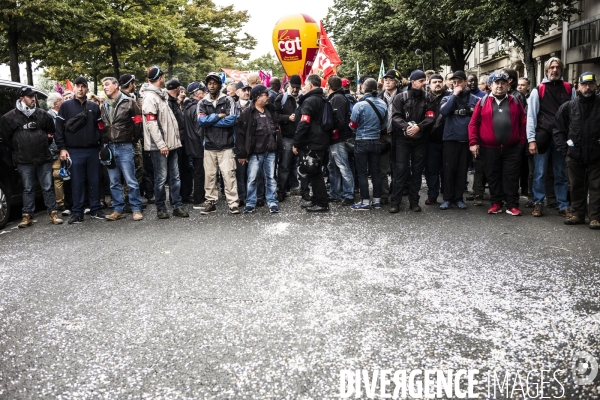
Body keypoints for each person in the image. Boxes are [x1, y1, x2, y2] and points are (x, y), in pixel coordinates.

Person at [0, 86, 63, 227]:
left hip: (43, 156)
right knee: (28, 188)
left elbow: (51, 133)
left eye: (33, 96)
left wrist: (42, 143)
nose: (33, 99)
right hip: (24, 158)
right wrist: (20, 147)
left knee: (47, 187)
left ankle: (53, 213)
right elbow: (6, 138)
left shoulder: (42, 114)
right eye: (29, 97)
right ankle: (27, 215)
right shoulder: (9, 117)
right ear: (21, 99)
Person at [468, 73, 527, 216]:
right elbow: (473, 124)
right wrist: (473, 142)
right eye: (496, 83)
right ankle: (496, 203)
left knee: (511, 176)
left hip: (512, 148)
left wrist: (521, 143)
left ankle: (512, 205)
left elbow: (523, 122)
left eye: (503, 83)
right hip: (489, 148)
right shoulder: (482, 102)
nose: (500, 86)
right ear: (490, 86)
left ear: (508, 85)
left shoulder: (515, 101)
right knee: (493, 176)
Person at [526, 57, 575, 218]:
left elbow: (574, 115)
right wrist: (531, 140)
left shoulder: (569, 88)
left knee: (561, 173)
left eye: (557, 67)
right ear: (547, 70)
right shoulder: (538, 90)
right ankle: (538, 202)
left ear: (561, 69)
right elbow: (531, 116)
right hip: (543, 137)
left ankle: (563, 205)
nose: (554, 70)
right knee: (539, 173)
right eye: (551, 67)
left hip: (562, 138)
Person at [55, 77, 105, 224]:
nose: (80, 89)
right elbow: (59, 129)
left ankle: (95, 209)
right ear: (74, 88)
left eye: (83, 86)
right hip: (74, 151)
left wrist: (101, 148)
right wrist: (62, 148)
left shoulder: (94, 107)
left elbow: (100, 128)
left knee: (95, 180)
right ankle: (77, 213)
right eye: (77, 86)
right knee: (77, 182)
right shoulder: (65, 106)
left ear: (87, 89)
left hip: (92, 150)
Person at [141, 65, 189, 219]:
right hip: (160, 146)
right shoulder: (150, 97)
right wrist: (161, 144)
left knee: (175, 177)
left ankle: (177, 206)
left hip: (171, 144)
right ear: (160, 78)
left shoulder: (162, 95)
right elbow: (151, 123)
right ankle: (161, 208)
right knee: (161, 178)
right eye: (163, 77)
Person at [554, 72, 600, 229]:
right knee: (575, 185)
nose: (588, 87)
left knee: (597, 186)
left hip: (596, 153)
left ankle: (595, 217)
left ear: (596, 86)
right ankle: (577, 214)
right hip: (574, 154)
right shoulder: (568, 107)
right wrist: (565, 148)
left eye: (591, 84)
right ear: (578, 87)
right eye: (584, 85)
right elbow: (559, 129)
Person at [389, 70, 435, 213]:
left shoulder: (429, 98)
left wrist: (418, 127)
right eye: (421, 81)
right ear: (413, 81)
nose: (424, 83)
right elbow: (395, 116)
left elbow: (431, 117)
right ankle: (395, 202)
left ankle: (414, 202)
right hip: (402, 139)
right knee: (400, 170)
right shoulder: (400, 97)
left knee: (417, 171)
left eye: (424, 80)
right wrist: (407, 127)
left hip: (420, 139)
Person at [99, 76, 144, 221]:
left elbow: (138, 123)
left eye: (107, 84)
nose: (104, 87)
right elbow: (102, 126)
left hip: (125, 145)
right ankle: (118, 209)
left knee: (131, 180)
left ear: (116, 85)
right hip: (110, 147)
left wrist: (132, 139)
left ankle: (136, 208)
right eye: (103, 85)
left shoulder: (129, 102)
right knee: (114, 181)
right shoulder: (104, 105)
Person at [197, 72, 240, 215]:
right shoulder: (202, 102)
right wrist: (218, 116)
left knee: (229, 176)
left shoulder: (228, 100)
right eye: (209, 83)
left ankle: (233, 203)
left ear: (219, 85)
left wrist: (211, 121)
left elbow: (232, 120)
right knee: (209, 176)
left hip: (226, 145)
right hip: (209, 145)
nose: (211, 85)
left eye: (214, 83)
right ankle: (211, 203)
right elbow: (201, 122)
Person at [236, 84, 282, 213]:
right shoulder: (247, 113)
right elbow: (240, 135)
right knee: (252, 178)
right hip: (255, 152)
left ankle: (272, 202)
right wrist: (242, 153)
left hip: (271, 150)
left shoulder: (270, 110)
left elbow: (277, 124)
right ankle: (250, 203)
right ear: (257, 97)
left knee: (271, 178)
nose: (268, 97)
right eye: (265, 95)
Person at [439, 71, 480, 210]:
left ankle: (458, 198)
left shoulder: (474, 99)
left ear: (465, 82)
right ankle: (448, 198)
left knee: (462, 170)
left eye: (459, 81)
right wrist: (454, 95)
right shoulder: (447, 98)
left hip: (465, 139)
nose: (456, 84)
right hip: (450, 138)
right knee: (448, 170)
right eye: (453, 82)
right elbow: (444, 112)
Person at [293, 74, 331, 212]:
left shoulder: (309, 101)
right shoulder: (322, 99)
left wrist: (296, 142)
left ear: (310, 85)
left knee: (314, 173)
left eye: (305, 85)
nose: (303, 87)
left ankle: (321, 203)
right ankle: (316, 200)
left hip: (312, 141)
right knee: (315, 171)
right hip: (320, 140)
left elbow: (304, 123)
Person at [349, 78, 387, 210]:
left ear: (363, 89)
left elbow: (353, 125)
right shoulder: (383, 104)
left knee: (362, 172)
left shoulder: (359, 105)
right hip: (376, 140)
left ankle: (365, 201)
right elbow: (384, 125)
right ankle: (377, 200)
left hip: (361, 141)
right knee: (375, 171)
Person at [326, 75, 354, 205]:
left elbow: (339, 120)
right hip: (336, 139)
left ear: (329, 86)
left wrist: (331, 128)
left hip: (338, 138)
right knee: (333, 167)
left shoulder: (336, 98)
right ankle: (335, 193)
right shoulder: (339, 97)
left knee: (343, 167)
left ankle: (348, 194)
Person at [274, 74, 302, 202]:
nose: (295, 90)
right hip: (287, 136)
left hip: (300, 136)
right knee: (285, 165)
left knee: (296, 164)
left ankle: (294, 186)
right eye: (293, 87)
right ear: (289, 85)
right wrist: (287, 118)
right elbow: (275, 116)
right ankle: (281, 190)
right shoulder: (281, 98)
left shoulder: (302, 98)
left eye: (297, 87)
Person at [166, 78, 193, 204]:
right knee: (177, 171)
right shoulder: (168, 102)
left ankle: (183, 195)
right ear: (177, 89)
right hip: (176, 141)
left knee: (184, 169)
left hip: (181, 140)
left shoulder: (173, 102)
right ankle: (176, 197)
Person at [377, 69, 402, 204]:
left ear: (397, 82)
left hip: (399, 136)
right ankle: (384, 194)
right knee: (383, 167)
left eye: (390, 79)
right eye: (385, 79)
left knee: (398, 167)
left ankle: (396, 192)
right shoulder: (379, 97)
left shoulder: (403, 96)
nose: (387, 81)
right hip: (383, 136)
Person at [183, 82, 207, 208]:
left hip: (190, 143)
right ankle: (199, 199)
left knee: (195, 172)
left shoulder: (187, 106)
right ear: (198, 93)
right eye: (203, 90)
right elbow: (200, 129)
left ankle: (195, 195)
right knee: (200, 173)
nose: (205, 92)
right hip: (197, 145)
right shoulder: (197, 107)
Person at [424, 74, 445, 205]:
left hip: (447, 139)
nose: (437, 84)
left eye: (440, 81)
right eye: (434, 82)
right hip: (430, 140)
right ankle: (432, 194)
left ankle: (447, 193)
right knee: (431, 169)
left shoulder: (449, 97)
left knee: (447, 169)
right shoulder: (425, 98)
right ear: (429, 84)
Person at [46, 92, 67, 213]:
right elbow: (52, 136)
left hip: (60, 150)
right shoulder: (49, 116)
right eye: (62, 101)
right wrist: (58, 149)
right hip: (55, 151)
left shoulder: (58, 114)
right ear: (56, 104)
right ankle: (60, 202)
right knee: (58, 176)